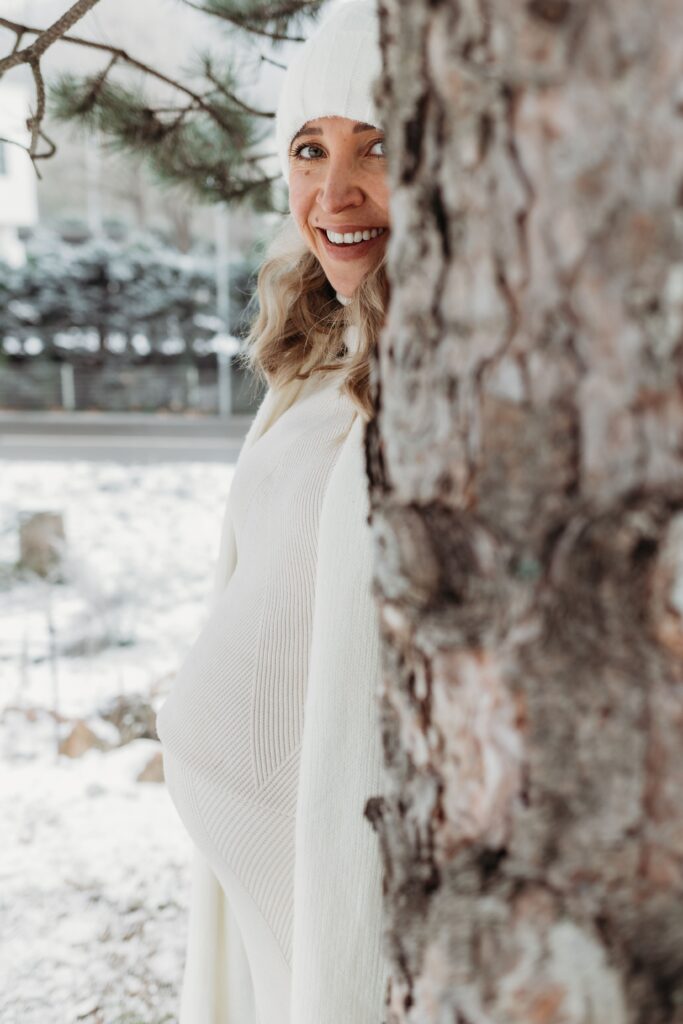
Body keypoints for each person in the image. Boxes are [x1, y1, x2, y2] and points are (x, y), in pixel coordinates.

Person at [154, 2, 391, 1022]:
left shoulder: (474, 384)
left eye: (377, 148)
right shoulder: (314, 355)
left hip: (349, 891)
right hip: (263, 880)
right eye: (309, 147)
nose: (332, 191)